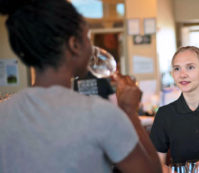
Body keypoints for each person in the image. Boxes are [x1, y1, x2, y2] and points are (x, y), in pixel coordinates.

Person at [0, 0, 161, 173]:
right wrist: (130, 113)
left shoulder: (4, 113)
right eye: (87, 38)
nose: (92, 48)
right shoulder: (99, 114)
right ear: (74, 44)